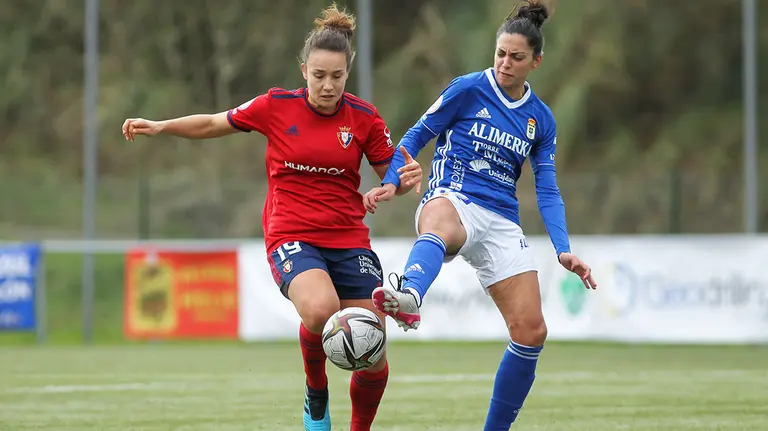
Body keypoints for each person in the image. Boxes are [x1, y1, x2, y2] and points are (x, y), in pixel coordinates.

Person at [121, 4, 422, 431]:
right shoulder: (275, 105)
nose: (327, 85)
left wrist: (404, 180)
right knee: (321, 311)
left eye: (336, 76)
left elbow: (390, 175)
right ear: (304, 71)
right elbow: (212, 123)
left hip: (349, 237)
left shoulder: (363, 118)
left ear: (347, 74)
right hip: (291, 233)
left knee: (372, 348)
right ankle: (316, 392)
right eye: (319, 75)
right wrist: (162, 125)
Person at [364, 1, 597, 429]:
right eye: (500, 53)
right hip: (452, 196)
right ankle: (410, 295)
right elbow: (416, 136)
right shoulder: (468, 88)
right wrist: (393, 181)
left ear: (536, 61)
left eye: (517, 57)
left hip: (502, 219)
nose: (506, 64)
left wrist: (563, 250)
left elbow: (547, 188)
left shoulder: (541, 120)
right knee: (440, 225)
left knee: (531, 332)